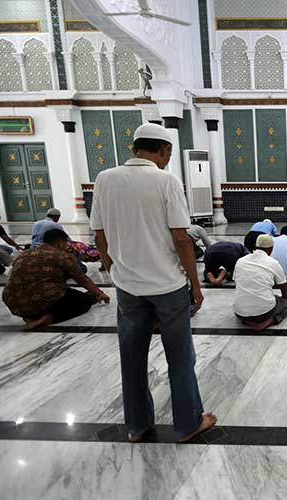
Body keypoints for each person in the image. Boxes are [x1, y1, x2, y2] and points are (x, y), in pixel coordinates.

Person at [90, 123, 216, 443]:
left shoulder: (105, 179)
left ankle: (137, 426)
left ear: (134, 148)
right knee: (180, 358)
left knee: (132, 359)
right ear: (164, 151)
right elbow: (181, 239)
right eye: (168, 153)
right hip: (168, 286)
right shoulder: (167, 181)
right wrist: (195, 285)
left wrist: (111, 267)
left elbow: (99, 234)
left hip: (128, 287)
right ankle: (188, 424)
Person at [2, 229, 109, 330]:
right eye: (66, 244)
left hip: (14, 304)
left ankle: (31, 316)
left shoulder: (25, 253)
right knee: (83, 300)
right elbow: (82, 279)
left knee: (61, 293)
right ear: (60, 243)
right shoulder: (61, 256)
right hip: (39, 301)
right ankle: (46, 319)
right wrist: (99, 293)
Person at [233, 233, 287, 330]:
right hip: (264, 313)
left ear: (256, 246)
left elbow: (238, 282)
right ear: (271, 248)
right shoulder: (273, 263)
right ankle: (270, 321)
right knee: (286, 306)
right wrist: (284, 298)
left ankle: (248, 321)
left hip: (240, 313)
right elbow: (285, 289)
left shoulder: (241, 261)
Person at [31, 208, 99, 267]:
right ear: (56, 216)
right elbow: (66, 239)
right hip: (50, 249)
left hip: (34, 248)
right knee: (78, 249)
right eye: (58, 217)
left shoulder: (36, 223)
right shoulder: (55, 225)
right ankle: (96, 255)